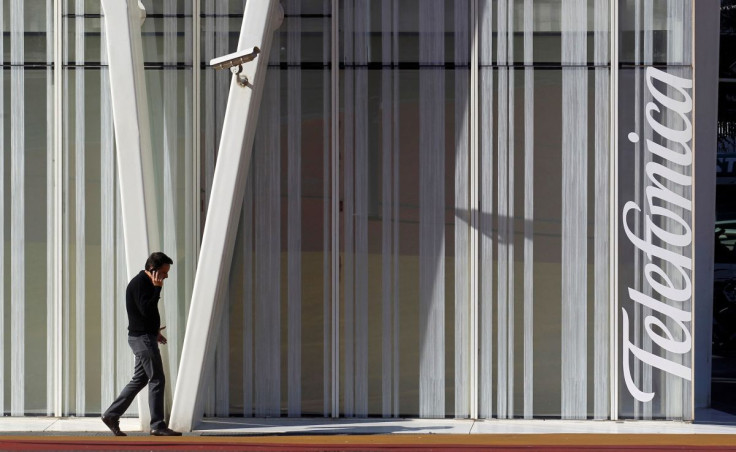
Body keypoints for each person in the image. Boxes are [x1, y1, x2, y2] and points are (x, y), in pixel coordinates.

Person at [101, 252, 182, 437]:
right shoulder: (141, 284)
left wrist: (155, 331)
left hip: (144, 337)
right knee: (157, 379)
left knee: (140, 379)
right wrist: (157, 289)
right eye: (164, 272)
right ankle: (157, 425)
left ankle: (111, 415)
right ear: (153, 271)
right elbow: (146, 309)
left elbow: (144, 313)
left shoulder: (145, 283)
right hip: (142, 339)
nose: (166, 276)